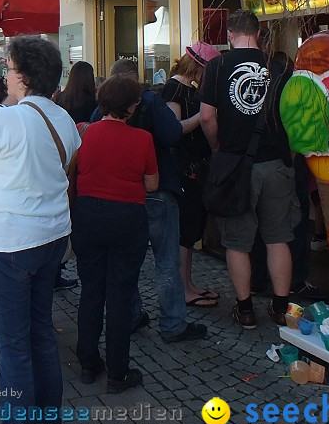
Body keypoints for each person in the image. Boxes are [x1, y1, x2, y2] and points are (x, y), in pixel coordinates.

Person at [0, 37, 79, 424]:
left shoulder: (3, 118)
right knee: (41, 334)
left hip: (7, 243)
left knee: (13, 347)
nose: (6, 76)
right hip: (52, 238)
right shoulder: (64, 120)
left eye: (10, 69)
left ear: (24, 76)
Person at [200, 10, 298, 329]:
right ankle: (281, 308)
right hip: (275, 163)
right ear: (259, 33)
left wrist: (218, 148)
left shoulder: (217, 67)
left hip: (236, 166)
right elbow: (293, 119)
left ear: (230, 34)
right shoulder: (280, 68)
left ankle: (245, 311)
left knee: (237, 243)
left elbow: (207, 117)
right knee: (277, 238)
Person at [97, 60, 205, 344]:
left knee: (126, 259)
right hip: (158, 188)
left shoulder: (104, 107)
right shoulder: (150, 101)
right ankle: (172, 324)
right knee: (166, 260)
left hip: (122, 194)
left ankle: (132, 314)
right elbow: (171, 133)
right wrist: (200, 118)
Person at [72, 75, 158, 394]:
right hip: (127, 217)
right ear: (132, 107)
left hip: (87, 214)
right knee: (120, 295)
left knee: (91, 290)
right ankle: (118, 372)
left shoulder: (83, 133)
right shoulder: (142, 139)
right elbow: (152, 184)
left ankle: (88, 363)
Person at [162, 43, 222, 307]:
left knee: (191, 228)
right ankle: (183, 289)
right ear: (198, 66)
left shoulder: (187, 88)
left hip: (194, 167)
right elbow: (176, 129)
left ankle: (187, 284)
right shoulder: (174, 88)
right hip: (185, 169)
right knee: (185, 231)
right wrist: (203, 115)